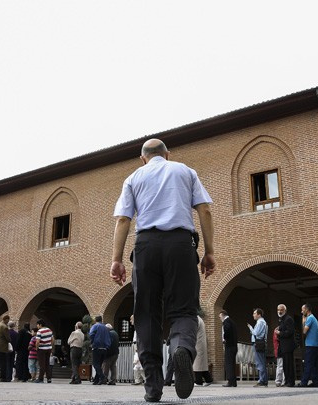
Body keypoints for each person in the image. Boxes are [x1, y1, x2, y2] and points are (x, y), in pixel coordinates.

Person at [110, 139, 216, 402]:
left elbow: (123, 219)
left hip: (146, 245)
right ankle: (181, 348)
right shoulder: (185, 171)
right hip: (180, 244)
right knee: (183, 309)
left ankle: (153, 387)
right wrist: (210, 252)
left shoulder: (133, 177)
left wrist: (117, 259)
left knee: (146, 314)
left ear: (142, 158)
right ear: (167, 155)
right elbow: (204, 210)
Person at [297, 303, 318, 387]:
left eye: (302, 309)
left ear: (307, 310)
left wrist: (303, 321)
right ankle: (315, 382)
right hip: (317, 345)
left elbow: (304, 331)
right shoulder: (314, 318)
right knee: (314, 365)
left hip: (311, 345)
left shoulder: (310, 318)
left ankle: (304, 382)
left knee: (308, 364)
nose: (301, 311)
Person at [273, 304, 295, 387]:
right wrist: (278, 329)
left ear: (285, 310)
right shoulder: (281, 319)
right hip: (283, 346)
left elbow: (290, 332)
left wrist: (279, 333)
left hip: (288, 346)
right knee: (285, 364)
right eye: (278, 310)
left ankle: (290, 382)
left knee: (289, 364)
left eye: (281, 310)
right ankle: (286, 381)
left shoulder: (288, 319)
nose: (279, 311)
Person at [247, 308, 268, 387]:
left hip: (258, 343)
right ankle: (264, 380)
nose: (253, 315)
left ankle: (262, 380)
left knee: (260, 362)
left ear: (259, 315)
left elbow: (255, 333)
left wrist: (250, 328)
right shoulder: (263, 322)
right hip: (261, 343)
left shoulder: (260, 322)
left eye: (254, 313)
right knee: (262, 361)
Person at [89, 315, 110, 385]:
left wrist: (91, 342)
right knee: (99, 364)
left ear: (95, 320)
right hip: (105, 348)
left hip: (97, 347)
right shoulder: (105, 327)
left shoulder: (95, 326)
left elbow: (91, 334)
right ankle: (96, 380)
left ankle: (102, 377)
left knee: (95, 364)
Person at [219, 310, 238, 387]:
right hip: (234, 345)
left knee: (229, 364)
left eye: (220, 317)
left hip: (229, 346)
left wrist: (224, 339)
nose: (220, 318)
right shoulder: (232, 322)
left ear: (223, 315)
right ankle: (234, 382)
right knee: (232, 364)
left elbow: (226, 330)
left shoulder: (226, 322)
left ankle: (230, 381)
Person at [193, 314, 212, 386]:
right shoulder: (199, 318)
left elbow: (193, 330)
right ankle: (208, 379)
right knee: (201, 364)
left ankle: (198, 381)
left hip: (198, 343)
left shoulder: (196, 319)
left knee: (198, 363)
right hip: (200, 343)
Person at [35, 319, 54, 384]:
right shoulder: (49, 330)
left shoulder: (39, 331)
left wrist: (36, 348)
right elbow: (52, 339)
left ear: (40, 325)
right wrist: (50, 346)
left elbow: (37, 341)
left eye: (37, 325)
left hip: (41, 349)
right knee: (47, 364)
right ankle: (49, 378)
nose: (37, 326)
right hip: (48, 348)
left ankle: (40, 378)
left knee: (42, 364)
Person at [130, 315, 144, 386]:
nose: (130, 321)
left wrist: (138, 347)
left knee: (140, 364)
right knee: (137, 365)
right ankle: (138, 380)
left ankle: (145, 379)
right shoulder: (136, 328)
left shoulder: (139, 328)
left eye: (131, 319)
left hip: (139, 346)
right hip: (136, 345)